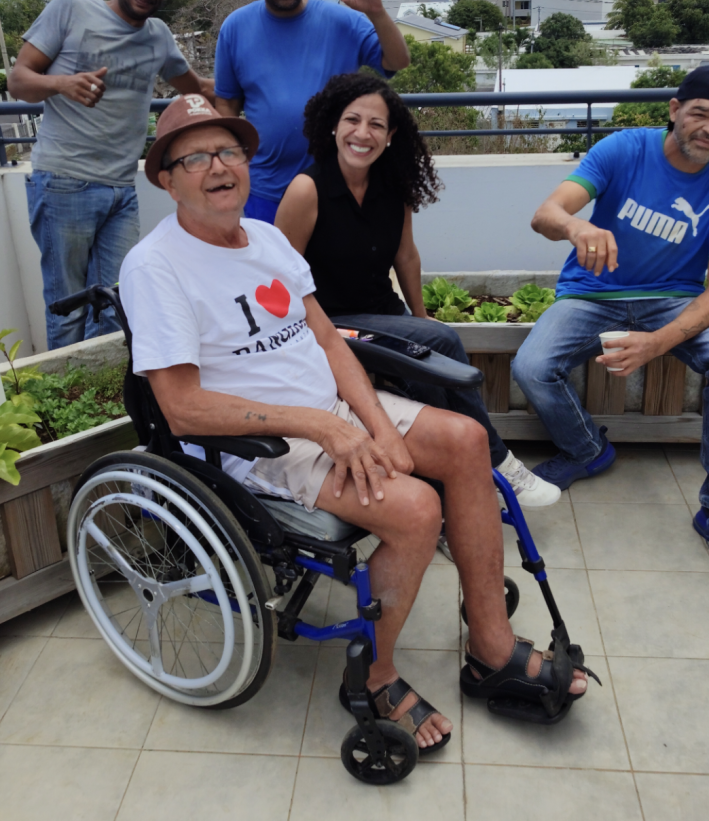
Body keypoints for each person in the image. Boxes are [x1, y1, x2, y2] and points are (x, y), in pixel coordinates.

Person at [119, 95, 590, 752]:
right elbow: (181, 408)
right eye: (193, 156)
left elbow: (332, 343)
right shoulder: (155, 266)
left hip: (329, 411)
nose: (217, 166)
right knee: (416, 507)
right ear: (166, 178)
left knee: (465, 440)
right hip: (261, 444)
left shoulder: (267, 239)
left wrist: (374, 425)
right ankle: (373, 676)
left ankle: (488, 647)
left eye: (227, 150)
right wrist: (321, 427)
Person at [274, 73, 561, 518]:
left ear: (390, 137)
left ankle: (452, 501)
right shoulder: (306, 190)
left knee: (431, 356)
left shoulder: (393, 188)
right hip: (330, 323)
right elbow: (279, 279)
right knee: (441, 345)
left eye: (376, 125)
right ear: (333, 125)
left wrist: (421, 316)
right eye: (352, 120)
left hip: (382, 316)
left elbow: (406, 256)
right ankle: (497, 461)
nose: (362, 133)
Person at [512, 67, 709, 542]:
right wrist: (578, 228)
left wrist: (658, 342)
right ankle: (586, 450)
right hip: (591, 293)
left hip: (674, 300)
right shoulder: (626, 149)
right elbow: (546, 214)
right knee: (532, 366)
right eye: (701, 113)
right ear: (675, 111)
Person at [8, 0, 214, 350]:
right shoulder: (71, 8)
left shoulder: (157, 36)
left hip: (122, 192)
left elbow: (199, 90)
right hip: (64, 184)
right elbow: (18, 80)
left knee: (117, 305)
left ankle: (106, 405)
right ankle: (68, 407)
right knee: (68, 310)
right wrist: (62, 83)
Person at [213, 0, 410, 224]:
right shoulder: (235, 28)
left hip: (333, 186)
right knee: (272, 272)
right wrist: (231, 167)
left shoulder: (342, 21)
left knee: (331, 272)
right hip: (264, 190)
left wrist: (377, 13)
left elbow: (397, 61)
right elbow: (226, 106)